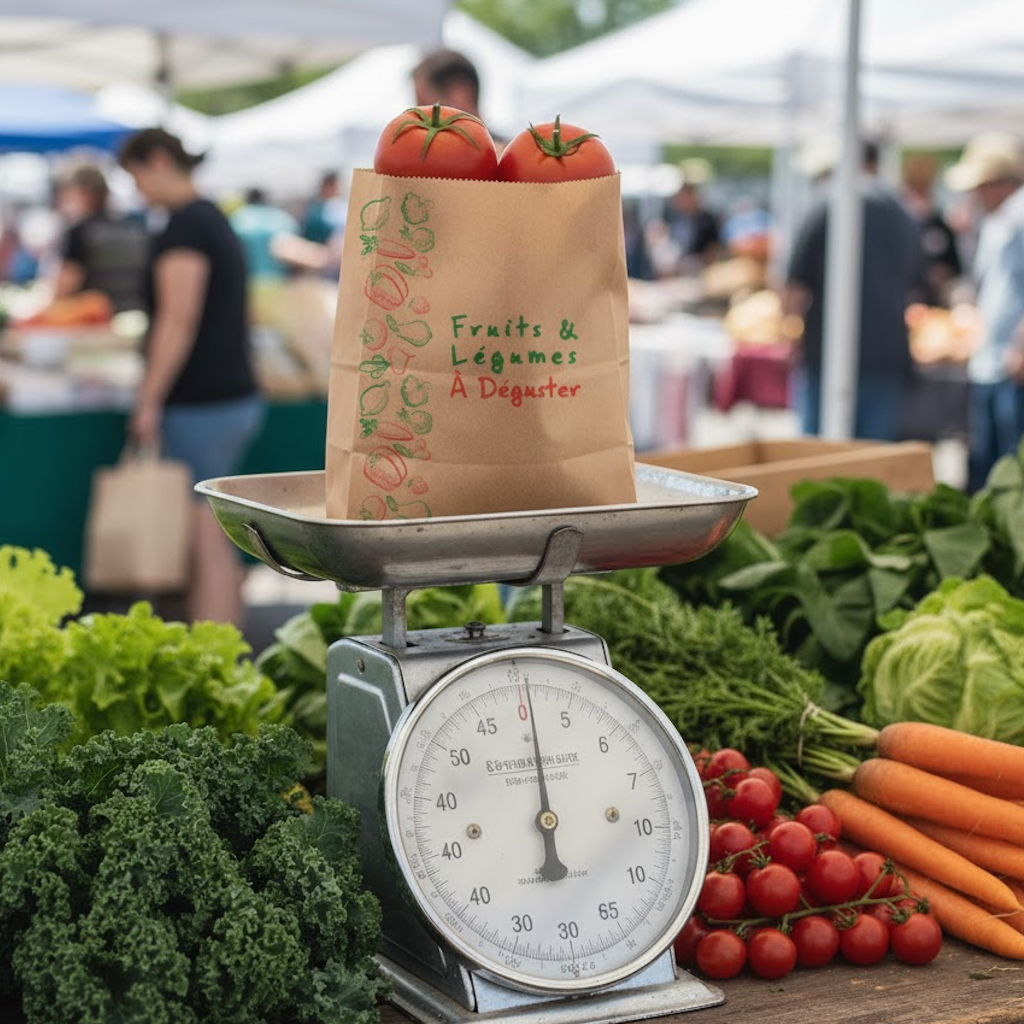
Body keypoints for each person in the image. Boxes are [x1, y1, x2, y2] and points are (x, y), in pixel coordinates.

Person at [117, 128, 265, 628]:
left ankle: (218, 650)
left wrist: (148, 399)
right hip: (226, 396)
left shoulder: (186, 226)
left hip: (205, 401)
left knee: (208, 537)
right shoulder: (209, 218)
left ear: (158, 160)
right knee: (209, 533)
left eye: (136, 175)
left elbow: (177, 318)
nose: (137, 189)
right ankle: (215, 643)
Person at [781, 138, 927, 441]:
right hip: (887, 352)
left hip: (830, 351)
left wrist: (789, 330)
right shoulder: (903, 213)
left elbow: (793, 288)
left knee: (817, 460)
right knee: (870, 462)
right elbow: (917, 288)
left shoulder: (826, 203)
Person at [944, 132, 1024, 493]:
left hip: (1011, 360)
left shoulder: (1017, 217)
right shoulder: (997, 220)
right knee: (991, 463)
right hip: (994, 357)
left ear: (995, 183)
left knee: (1007, 466)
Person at [50, 163, 148, 312]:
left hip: (94, 318)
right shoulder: (133, 228)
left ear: (83, 192)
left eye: (68, 192)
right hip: (134, 314)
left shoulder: (81, 231)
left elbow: (66, 284)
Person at [901, 153, 963, 308]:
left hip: (935, 301)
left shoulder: (939, 222)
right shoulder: (899, 223)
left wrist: (944, 273)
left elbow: (955, 264)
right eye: (916, 188)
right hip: (906, 299)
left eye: (924, 187)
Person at [658, 157, 722, 276]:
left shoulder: (707, 220)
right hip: (675, 273)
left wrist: (695, 263)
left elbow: (713, 250)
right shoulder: (672, 216)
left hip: (699, 273)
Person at [230, 186, 298, 282]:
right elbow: (294, 235)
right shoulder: (279, 215)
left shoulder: (240, 216)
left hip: (250, 278)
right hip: (279, 278)